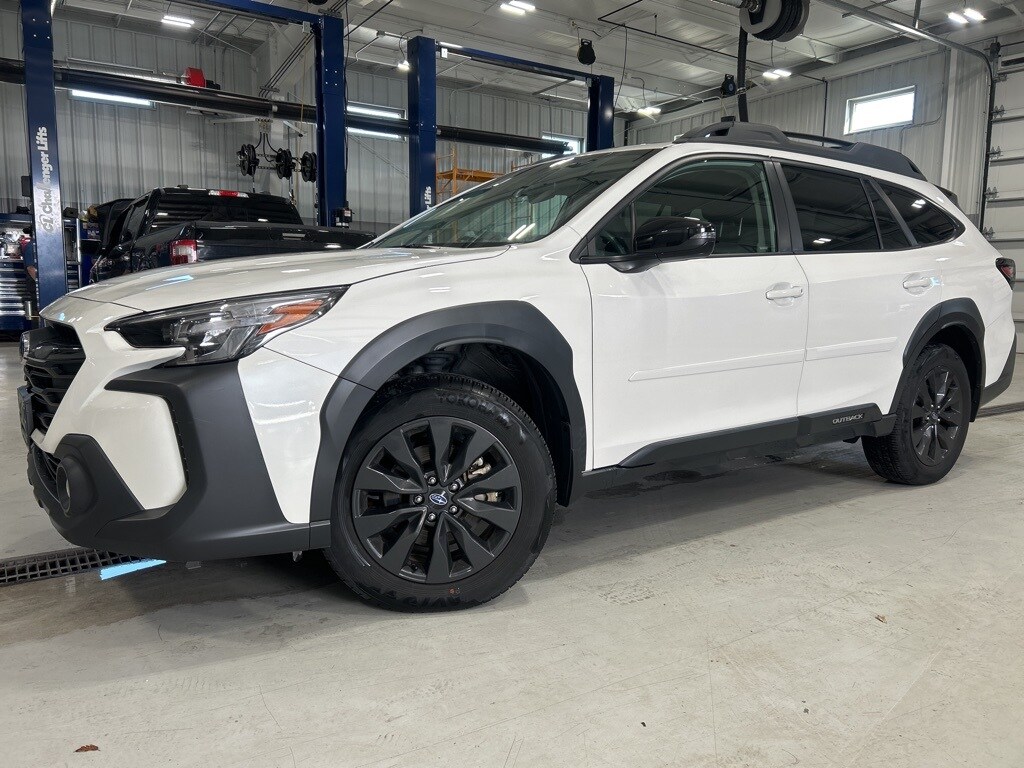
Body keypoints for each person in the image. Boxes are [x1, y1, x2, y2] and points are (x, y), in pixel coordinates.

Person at [21, 232, 37, 320]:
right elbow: (30, 268)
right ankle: (39, 329)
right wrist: (40, 282)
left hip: (35, 282)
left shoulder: (35, 245)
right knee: (38, 308)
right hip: (34, 283)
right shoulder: (32, 246)